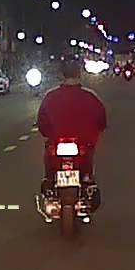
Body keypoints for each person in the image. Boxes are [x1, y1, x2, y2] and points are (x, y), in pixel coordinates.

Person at [37, 56, 108, 204]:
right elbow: (102, 122)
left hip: (57, 147)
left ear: (61, 75)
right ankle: (86, 182)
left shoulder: (50, 97)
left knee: (49, 172)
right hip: (83, 146)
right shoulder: (90, 97)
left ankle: (50, 185)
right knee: (87, 173)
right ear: (79, 74)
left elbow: (42, 125)